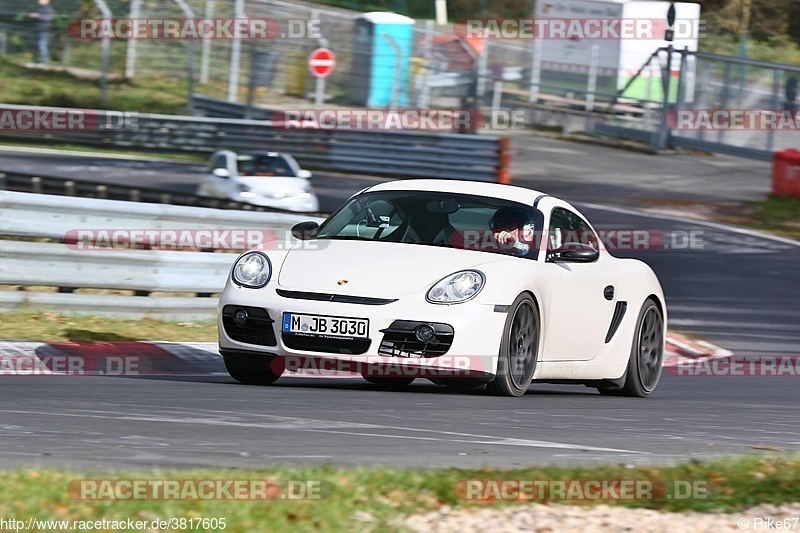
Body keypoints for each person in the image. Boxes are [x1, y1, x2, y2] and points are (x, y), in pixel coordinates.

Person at [28, 0, 53, 66]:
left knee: (42, 45)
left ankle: (43, 62)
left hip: (43, 29)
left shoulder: (48, 8)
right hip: (35, 28)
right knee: (34, 45)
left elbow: (48, 18)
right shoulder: (37, 7)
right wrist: (31, 16)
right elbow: (31, 15)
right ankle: (34, 61)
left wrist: (37, 16)